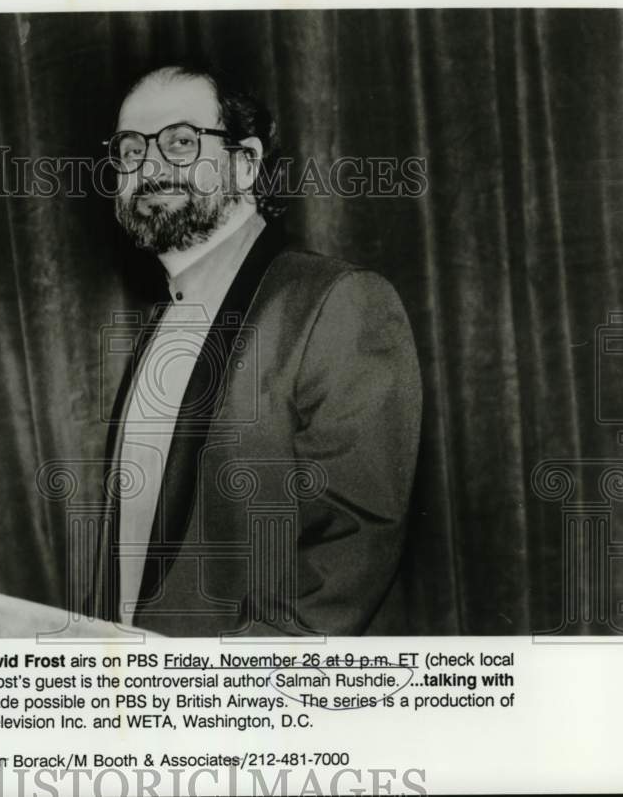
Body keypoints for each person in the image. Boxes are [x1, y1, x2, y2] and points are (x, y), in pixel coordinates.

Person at [88, 62, 422, 637]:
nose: (150, 165)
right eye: (129, 149)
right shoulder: (159, 326)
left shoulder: (337, 302)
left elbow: (352, 544)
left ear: (244, 165)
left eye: (181, 142)